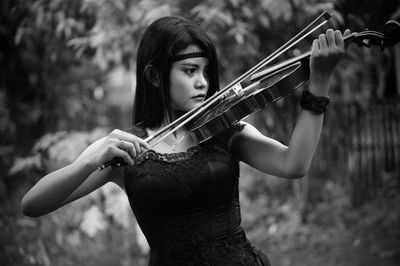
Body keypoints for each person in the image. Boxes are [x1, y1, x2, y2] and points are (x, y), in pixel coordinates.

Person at [22, 15, 347, 265]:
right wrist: (91, 160)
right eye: (190, 71)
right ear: (154, 75)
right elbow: (33, 204)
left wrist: (319, 81)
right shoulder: (123, 148)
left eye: (206, 72)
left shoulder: (225, 131)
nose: (203, 83)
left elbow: (294, 164)